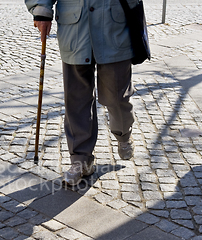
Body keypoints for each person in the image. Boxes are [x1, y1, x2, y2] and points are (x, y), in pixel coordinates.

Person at [25, 0, 137, 186]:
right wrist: (41, 10)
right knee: (76, 99)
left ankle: (124, 134)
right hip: (75, 26)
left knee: (117, 96)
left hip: (113, 24)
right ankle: (80, 160)